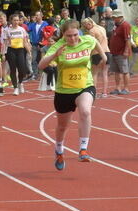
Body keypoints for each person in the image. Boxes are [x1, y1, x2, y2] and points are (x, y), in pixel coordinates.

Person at [38, 20, 106, 170]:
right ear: (63, 35)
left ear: (79, 32)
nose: (73, 39)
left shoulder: (87, 40)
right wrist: (55, 55)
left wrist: (103, 56)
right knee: (62, 126)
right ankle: (59, 149)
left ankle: (83, 149)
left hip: (85, 86)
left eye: (75, 35)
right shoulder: (58, 46)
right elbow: (41, 65)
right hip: (64, 91)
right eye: (69, 36)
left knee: (86, 111)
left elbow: (95, 41)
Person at [0, 13, 31, 95]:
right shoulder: (7, 30)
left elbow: (25, 42)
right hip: (11, 50)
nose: (16, 22)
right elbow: (5, 43)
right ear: (11, 21)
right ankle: (15, 87)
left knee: (22, 69)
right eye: (15, 20)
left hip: (20, 50)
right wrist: (3, 54)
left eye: (17, 20)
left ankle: (20, 83)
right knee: (13, 69)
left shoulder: (22, 29)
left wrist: (29, 52)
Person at [82, 17, 110, 97]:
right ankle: (104, 92)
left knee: (95, 74)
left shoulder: (91, 31)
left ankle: (93, 92)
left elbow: (92, 43)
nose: (85, 27)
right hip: (107, 52)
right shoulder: (102, 28)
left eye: (85, 25)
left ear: (89, 23)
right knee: (105, 73)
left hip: (97, 53)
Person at [108, 10, 132, 95]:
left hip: (121, 53)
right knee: (116, 71)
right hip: (115, 52)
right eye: (113, 17)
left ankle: (126, 88)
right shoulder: (116, 25)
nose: (113, 19)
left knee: (125, 71)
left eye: (115, 17)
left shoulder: (125, 25)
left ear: (120, 17)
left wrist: (126, 51)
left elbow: (128, 39)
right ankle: (117, 88)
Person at [27, 11, 47, 80]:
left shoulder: (45, 24)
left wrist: (43, 42)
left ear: (41, 16)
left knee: (41, 60)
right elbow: (27, 30)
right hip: (34, 44)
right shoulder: (33, 24)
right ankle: (35, 74)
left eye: (37, 15)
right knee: (34, 60)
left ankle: (41, 74)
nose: (36, 17)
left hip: (43, 45)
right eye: (35, 15)